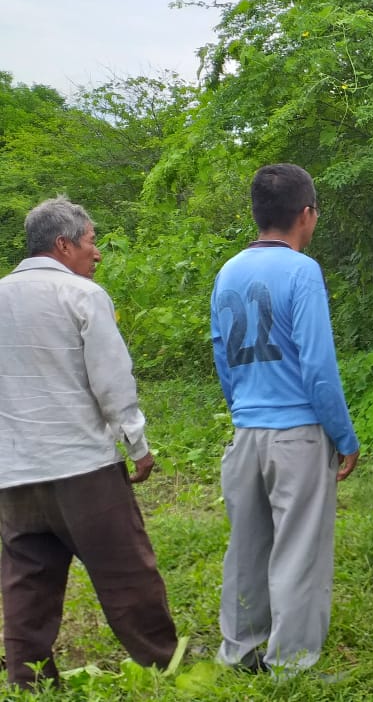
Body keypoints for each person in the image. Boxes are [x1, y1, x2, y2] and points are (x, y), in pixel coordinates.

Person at [0, 197, 183, 690]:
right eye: (90, 241)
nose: (96, 252)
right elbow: (112, 381)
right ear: (63, 245)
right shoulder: (81, 295)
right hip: (82, 467)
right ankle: (164, 666)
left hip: (13, 474)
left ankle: (29, 683)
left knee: (26, 583)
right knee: (127, 572)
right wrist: (137, 445)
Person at [211, 164, 360, 679]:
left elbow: (222, 357)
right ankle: (292, 665)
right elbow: (317, 366)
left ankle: (240, 649)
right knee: (299, 550)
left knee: (246, 547)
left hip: (246, 429)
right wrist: (344, 437)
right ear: (306, 214)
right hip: (297, 435)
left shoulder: (228, 272)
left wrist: (243, 411)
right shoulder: (303, 271)